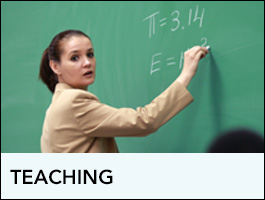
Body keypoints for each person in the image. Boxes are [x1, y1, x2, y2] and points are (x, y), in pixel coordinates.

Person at [39, 30, 209, 153]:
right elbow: (144, 122)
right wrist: (185, 75)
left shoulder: (56, 105)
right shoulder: (73, 102)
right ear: (55, 66)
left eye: (90, 54)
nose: (87, 63)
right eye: (75, 58)